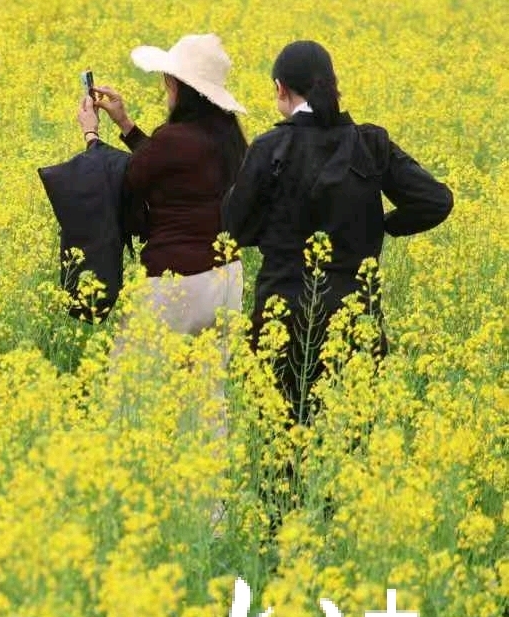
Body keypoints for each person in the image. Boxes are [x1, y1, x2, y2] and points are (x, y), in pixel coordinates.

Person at [223, 41, 452, 414]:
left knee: (279, 433)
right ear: (332, 84)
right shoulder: (371, 143)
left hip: (282, 317)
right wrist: (382, 226)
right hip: (356, 316)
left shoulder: (270, 147)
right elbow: (436, 201)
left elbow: (232, 228)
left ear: (280, 88)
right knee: (350, 435)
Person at [84, 34, 249, 336]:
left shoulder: (173, 139)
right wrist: (125, 124)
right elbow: (167, 165)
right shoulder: (230, 138)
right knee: (208, 370)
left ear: (177, 85)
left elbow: (128, 180)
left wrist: (91, 134)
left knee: (138, 367)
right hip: (226, 280)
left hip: (175, 282)